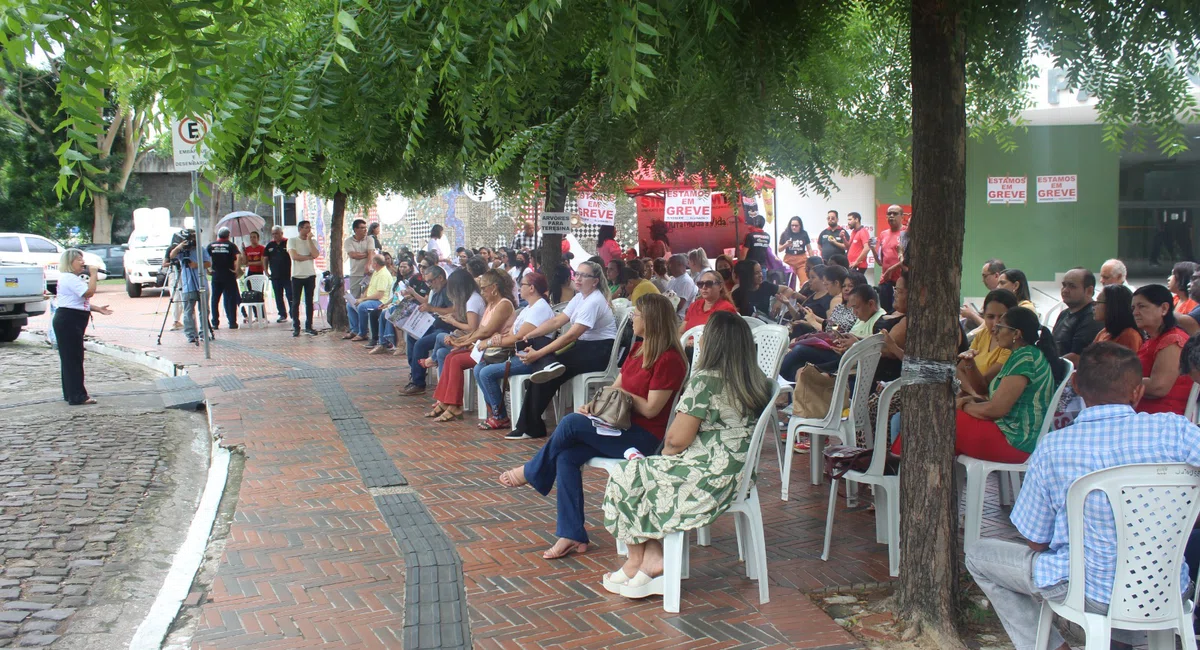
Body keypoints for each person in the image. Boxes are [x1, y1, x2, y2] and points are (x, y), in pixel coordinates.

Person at [966, 342, 1200, 650]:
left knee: (978, 557)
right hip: (1164, 587)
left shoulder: (1053, 448)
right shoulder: (1176, 431)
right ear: (1137, 392)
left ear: (1075, 384)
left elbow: (1037, 541)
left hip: (1085, 592)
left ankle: (1055, 646)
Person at [498, 294, 687, 560]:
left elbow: (652, 409)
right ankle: (571, 534)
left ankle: (532, 471)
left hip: (642, 437)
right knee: (566, 455)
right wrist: (595, 404)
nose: (632, 318)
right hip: (617, 425)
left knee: (571, 423)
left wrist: (624, 398)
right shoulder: (637, 349)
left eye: (637, 315)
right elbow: (616, 387)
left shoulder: (669, 360)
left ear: (652, 320)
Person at [598, 311, 774, 596]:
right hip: (737, 473)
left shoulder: (706, 380)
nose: (700, 338)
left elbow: (677, 441)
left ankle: (642, 560)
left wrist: (663, 458)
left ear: (714, 343)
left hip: (706, 476)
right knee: (638, 472)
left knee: (627, 473)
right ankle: (646, 559)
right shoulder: (756, 381)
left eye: (705, 335)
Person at [901, 307, 1064, 464]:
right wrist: (969, 364)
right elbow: (983, 390)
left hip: (1017, 441)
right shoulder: (1021, 354)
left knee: (933, 419)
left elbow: (995, 410)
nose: (995, 330)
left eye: (1000, 327)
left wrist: (963, 405)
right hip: (1010, 433)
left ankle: (900, 462)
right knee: (935, 415)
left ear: (1016, 333)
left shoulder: (1025, 358)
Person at [507, 260, 617, 440]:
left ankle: (529, 426)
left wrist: (539, 353)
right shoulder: (580, 297)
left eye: (584, 275)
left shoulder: (594, 301)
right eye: (577, 274)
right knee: (543, 365)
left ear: (595, 281)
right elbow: (556, 322)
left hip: (599, 351)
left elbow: (570, 336)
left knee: (545, 369)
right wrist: (530, 336)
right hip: (583, 347)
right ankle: (530, 424)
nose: (578, 278)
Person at [428, 269, 516, 421]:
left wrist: (463, 341)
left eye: (484, 288)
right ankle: (445, 401)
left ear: (494, 288)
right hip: (485, 348)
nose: (482, 292)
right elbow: (480, 330)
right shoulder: (491, 304)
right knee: (450, 356)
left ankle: (454, 405)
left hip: (497, 352)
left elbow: (486, 331)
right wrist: (461, 341)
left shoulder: (503, 304)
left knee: (455, 360)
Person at [475, 272, 556, 429]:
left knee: (486, 372)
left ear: (531, 288)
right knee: (479, 368)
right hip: (519, 354)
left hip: (531, 358)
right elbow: (512, 334)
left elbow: (519, 337)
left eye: (523, 285)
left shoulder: (539, 308)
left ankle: (500, 416)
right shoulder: (528, 309)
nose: (520, 288)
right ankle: (495, 412)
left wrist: (491, 342)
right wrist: (498, 339)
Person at [51, 249, 113, 406]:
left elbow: (78, 301)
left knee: (71, 358)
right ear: (70, 262)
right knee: (73, 358)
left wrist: (98, 309)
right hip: (69, 320)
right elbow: (89, 293)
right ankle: (77, 395)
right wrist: (93, 275)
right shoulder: (69, 278)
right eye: (79, 259)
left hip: (72, 318)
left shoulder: (71, 279)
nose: (82, 263)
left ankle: (71, 392)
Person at [1130, 284, 1192, 414]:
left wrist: (1117, 381)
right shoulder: (1154, 339)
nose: (1135, 312)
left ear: (1164, 308)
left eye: (1142, 306)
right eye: (1133, 308)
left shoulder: (1174, 339)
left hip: (1164, 417)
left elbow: (1158, 387)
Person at [399, 264, 452, 395]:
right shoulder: (436, 291)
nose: (429, 285)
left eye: (430, 281)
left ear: (440, 278)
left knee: (420, 344)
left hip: (446, 329)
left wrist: (431, 309)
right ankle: (415, 371)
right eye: (427, 281)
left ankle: (418, 383)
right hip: (433, 324)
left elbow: (453, 310)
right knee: (412, 336)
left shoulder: (448, 291)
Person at [958, 289, 1020, 387]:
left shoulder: (1013, 343)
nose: (995, 323)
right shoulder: (983, 334)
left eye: (1002, 317)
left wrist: (969, 365)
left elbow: (984, 383)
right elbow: (959, 370)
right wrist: (971, 394)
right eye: (990, 317)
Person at [426, 269, 484, 372]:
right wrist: (453, 316)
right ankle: (444, 385)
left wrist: (453, 322)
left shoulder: (473, 300)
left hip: (472, 342)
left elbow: (472, 328)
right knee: (441, 352)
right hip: (468, 338)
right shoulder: (471, 298)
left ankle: (432, 359)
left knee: (440, 336)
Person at [1052, 267, 1103, 363]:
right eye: (1064, 285)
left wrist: (1048, 365)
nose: (1065, 290)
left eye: (1072, 286)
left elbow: (1078, 357)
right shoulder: (1064, 314)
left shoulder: (1094, 316)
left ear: (1089, 291)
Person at [169, 234, 210, 344]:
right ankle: (191, 335)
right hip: (188, 285)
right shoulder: (182, 251)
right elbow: (172, 256)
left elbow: (208, 263)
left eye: (193, 239)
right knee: (188, 311)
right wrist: (179, 246)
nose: (191, 242)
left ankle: (204, 333)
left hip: (201, 284)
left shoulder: (201, 249)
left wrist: (196, 265)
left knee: (204, 310)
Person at [345, 254, 393, 342]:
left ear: (375, 264)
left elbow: (379, 295)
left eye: (372, 263)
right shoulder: (376, 272)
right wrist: (363, 296)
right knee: (349, 305)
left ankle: (362, 333)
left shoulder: (383, 274)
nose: (371, 264)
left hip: (380, 301)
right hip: (370, 299)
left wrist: (363, 300)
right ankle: (355, 330)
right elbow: (370, 286)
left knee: (362, 306)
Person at [287, 220, 321, 337]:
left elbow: (315, 255)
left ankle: (309, 326)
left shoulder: (312, 241)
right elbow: (294, 256)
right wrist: (308, 257)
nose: (308, 230)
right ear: (300, 229)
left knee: (309, 301)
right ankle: (296, 326)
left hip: (310, 274)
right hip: (297, 275)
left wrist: (309, 240)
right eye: (306, 228)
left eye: (309, 227)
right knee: (296, 302)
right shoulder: (292, 241)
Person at [679, 269, 739, 335]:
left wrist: (695, 342)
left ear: (720, 286)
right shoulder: (694, 305)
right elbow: (681, 331)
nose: (704, 287)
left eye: (709, 284)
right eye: (700, 284)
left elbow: (721, 337)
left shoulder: (726, 308)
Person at [731, 260, 796, 318]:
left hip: (766, 325)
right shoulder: (737, 294)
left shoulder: (765, 286)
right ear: (747, 275)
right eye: (756, 273)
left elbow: (789, 290)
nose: (761, 275)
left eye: (761, 271)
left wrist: (779, 303)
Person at [205, 227, 241, 330]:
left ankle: (215, 323)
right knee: (230, 299)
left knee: (215, 299)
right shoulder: (231, 245)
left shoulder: (211, 245)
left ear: (218, 235)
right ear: (228, 235)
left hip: (216, 275)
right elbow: (239, 257)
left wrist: (208, 269)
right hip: (228, 275)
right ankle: (232, 322)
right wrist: (237, 269)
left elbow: (205, 258)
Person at [1090, 284, 1142, 353]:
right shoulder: (1104, 332)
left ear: (1112, 306)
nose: (1093, 307)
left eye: (1098, 302)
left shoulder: (1129, 335)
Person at [876, 205, 905, 312]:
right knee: (885, 312)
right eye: (889, 214)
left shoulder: (906, 233)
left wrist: (891, 269)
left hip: (901, 281)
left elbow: (908, 258)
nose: (891, 216)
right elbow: (880, 261)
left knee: (898, 312)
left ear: (902, 216)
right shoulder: (883, 234)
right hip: (885, 281)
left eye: (895, 213)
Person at [962, 258, 1007, 328]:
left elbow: (992, 327)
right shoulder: (991, 295)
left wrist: (971, 314)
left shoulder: (1002, 299)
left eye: (985, 276)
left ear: (996, 276)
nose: (983, 280)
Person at [263, 226, 292, 322]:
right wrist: (266, 271)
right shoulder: (270, 245)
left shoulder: (288, 242)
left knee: (290, 295)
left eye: (277, 233)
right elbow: (265, 258)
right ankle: (282, 314)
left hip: (288, 275)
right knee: (278, 296)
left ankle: (293, 313)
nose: (275, 235)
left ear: (281, 233)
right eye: (273, 234)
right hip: (275, 275)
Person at [777, 216, 811, 284]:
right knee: (789, 283)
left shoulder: (804, 233)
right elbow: (779, 249)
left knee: (805, 282)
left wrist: (812, 260)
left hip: (802, 260)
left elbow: (809, 248)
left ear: (800, 226)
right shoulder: (785, 233)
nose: (794, 227)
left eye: (796, 226)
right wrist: (785, 245)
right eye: (792, 225)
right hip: (789, 260)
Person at [344, 218, 372, 299]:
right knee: (354, 297)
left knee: (367, 296)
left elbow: (372, 253)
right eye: (362, 228)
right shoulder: (348, 241)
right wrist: (367, 254)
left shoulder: (370, 239)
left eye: (365, 228)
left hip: (368, 274)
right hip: (355, 273)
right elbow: (353, 255)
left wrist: (368, 264)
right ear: (355, 229)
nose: (365, 230)